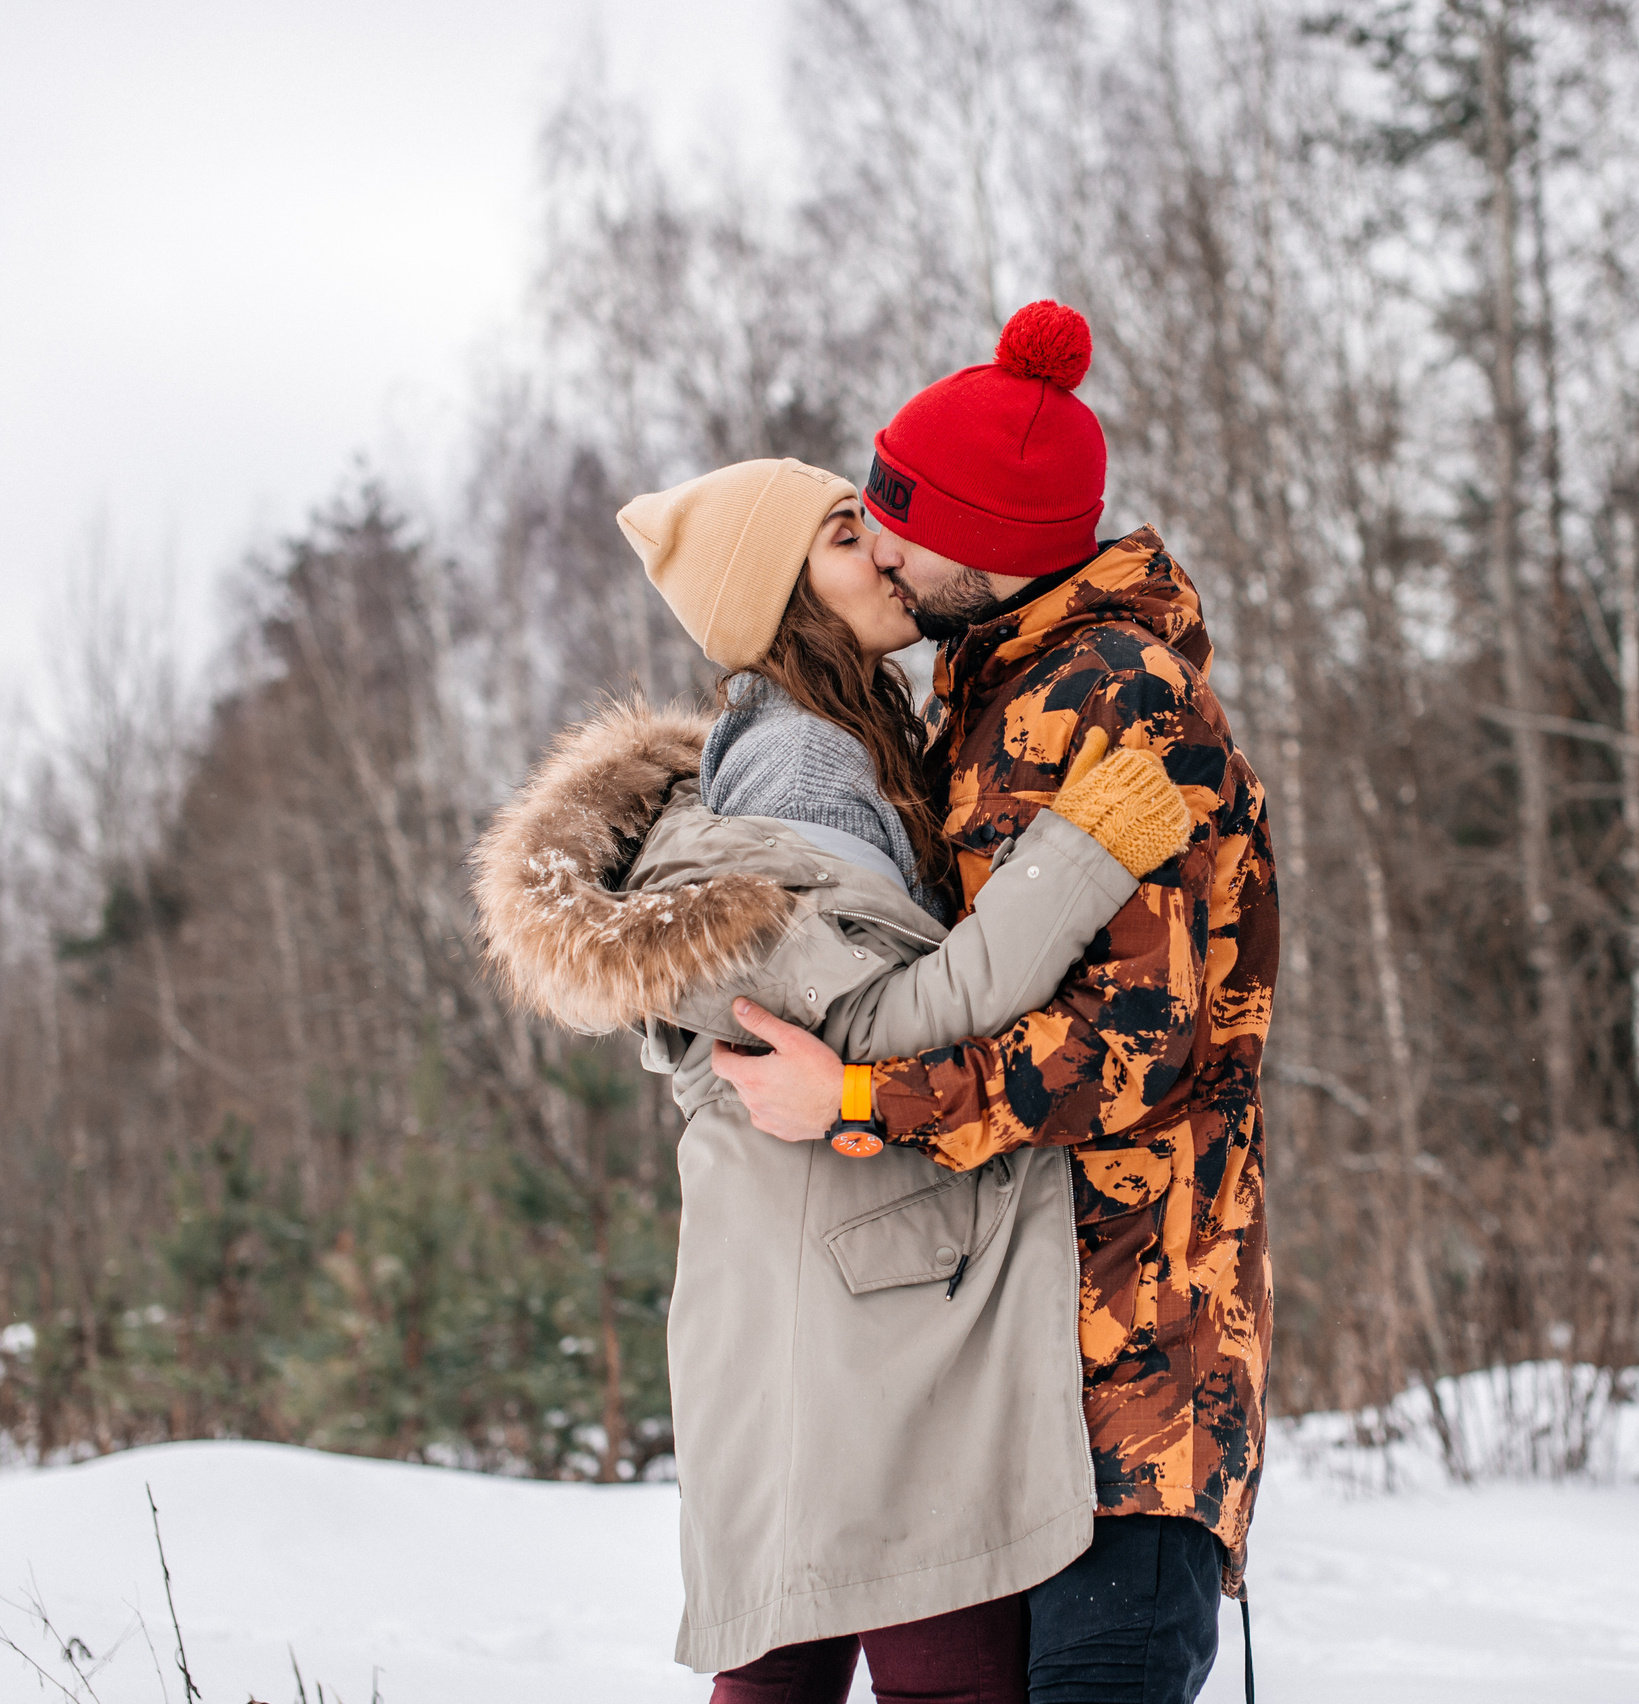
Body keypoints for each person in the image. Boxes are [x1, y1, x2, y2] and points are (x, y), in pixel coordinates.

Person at [470, 455, 1194, 1702]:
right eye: (850, 536)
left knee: (786, 1666)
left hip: (810, 1273)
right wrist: (1082, 854)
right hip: (856, 1283)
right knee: (938, 1674)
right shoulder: (806, 765)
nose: (891, 550)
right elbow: (874, 1024)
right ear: (783, 596)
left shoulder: (832, 744)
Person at [713, 303, 1280, 1704]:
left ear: (995, 543)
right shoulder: (981, 691)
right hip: (1006, 1369)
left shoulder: (1115, 698)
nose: (883, 544)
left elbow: (1133, 1053)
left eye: (901, 520)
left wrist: (855, 1101)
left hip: (1129, 1379)